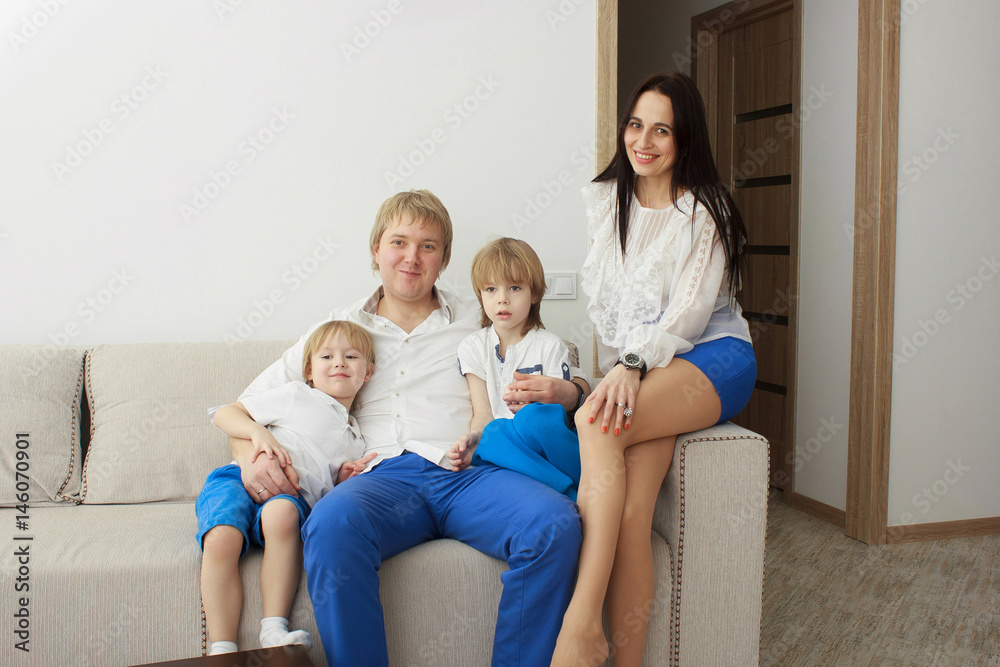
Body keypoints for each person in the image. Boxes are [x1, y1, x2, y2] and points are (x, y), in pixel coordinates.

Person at [229, 190, 590, 666]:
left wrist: (575, 390)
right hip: (381, 478)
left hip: (471, 472)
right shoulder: (337, 329)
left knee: (554, 524)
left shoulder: (480, 311)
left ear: (444, 258)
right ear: (376, 249)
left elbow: (563, 366)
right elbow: (244, 409)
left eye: (428, 245)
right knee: (332, 524)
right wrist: (247, 458)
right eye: (399, 242)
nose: (412, 258)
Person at [550, 72, 758, 666]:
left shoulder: (705, 210)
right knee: (634, 514)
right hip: (647, 369)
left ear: (684, 138)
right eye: (635, 124)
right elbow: (614, 313)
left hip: (713, 356)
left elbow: (690, 314)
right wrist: (621, 368)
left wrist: (632, 367)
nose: (643, 140)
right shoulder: (606, 199)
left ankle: (581, 625)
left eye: (661, 129)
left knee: (594, 423)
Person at [196, 320, 376, 656]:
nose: (338, 362)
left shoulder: (358, 438)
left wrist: (343, 480)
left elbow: (324, 484)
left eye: (351, 356)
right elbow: (224, 414)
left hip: (289, 499)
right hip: (237, 478)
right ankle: (222, 649)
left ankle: (274, 630)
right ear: (309, 370)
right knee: (222, 536)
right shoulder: (297, 396)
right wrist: (257, 434)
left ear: (367, 373)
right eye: (327, 357)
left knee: (282, 515)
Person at [447, 237, 582, 499]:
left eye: (515, 288)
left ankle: (561, 482)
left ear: (534, 294)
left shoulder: (551, 346)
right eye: (491, 289)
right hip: (503, 451)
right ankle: (565, 490)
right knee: (490, 434)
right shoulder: (472, 347)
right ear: (480, 295)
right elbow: (483, 414)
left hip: (546, 448)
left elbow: (555, 422)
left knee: (530, 420)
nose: (502, 300)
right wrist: (471, 438)